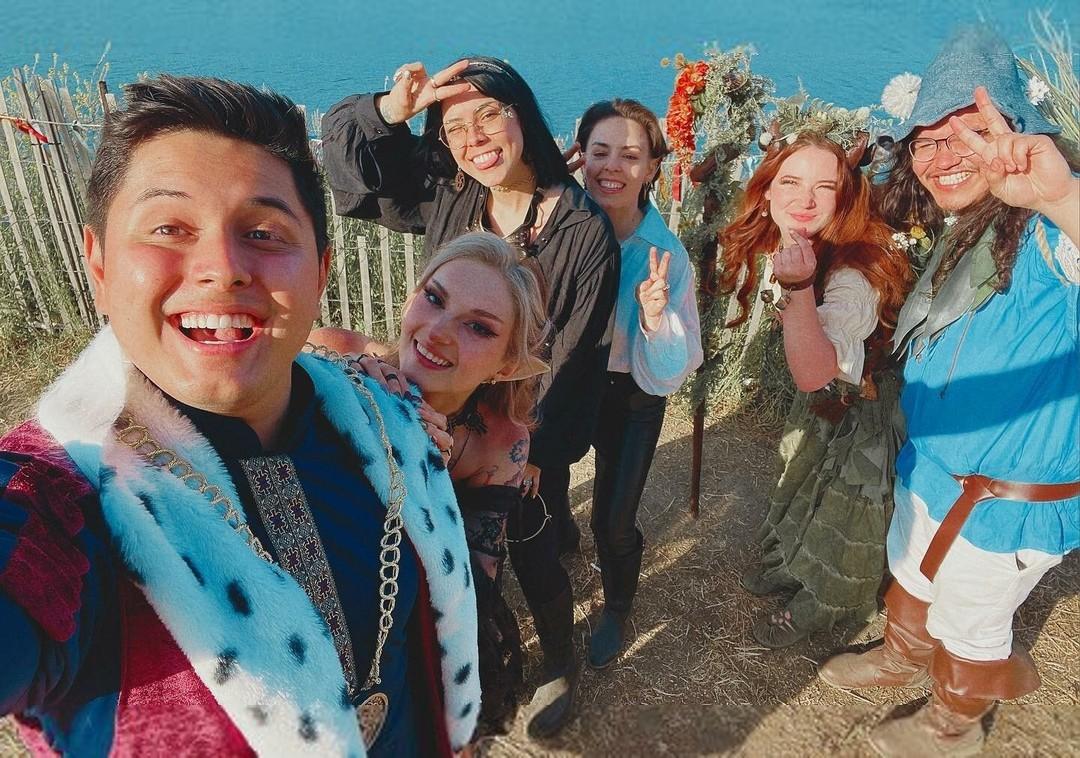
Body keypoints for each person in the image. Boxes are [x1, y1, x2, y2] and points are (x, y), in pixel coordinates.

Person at [0, 75, 481, 758]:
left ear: (321, 270)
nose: (222, 268)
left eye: (262, 232)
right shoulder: (59, 499)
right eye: (169, 228)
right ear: (98, 265)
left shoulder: (384, 425)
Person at [320, 56, 621, 737]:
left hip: (521, 426)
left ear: (523, 117)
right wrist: (388, 113)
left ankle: (558, 662)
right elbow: (352, 179)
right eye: (454, 127)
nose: (474, 137)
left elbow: (575, 355)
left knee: (534, 552)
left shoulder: (583, 231)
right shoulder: (450, 194)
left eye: (489, 115)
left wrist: (533, 448)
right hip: (426, 404)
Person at [818, 26, 1079, 757]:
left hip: (1004, 501)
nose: (945, 155)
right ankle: (901, 655)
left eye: (972, 134)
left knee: (972, 616)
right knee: (910, 570)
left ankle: (951, 723)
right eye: (927, 141)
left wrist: (1063, 196)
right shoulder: (970, 227)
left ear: (1019, 137)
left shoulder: (1050, 239)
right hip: (933, 468)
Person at [312, 231, 550, 738]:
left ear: (506, 366)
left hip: (411, 614)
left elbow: (475, 576)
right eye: (435, 298)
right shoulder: (335, 362)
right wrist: (347, 393)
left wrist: (425, 484)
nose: (437, 331)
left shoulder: (501, 441)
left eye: (478, 327)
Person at [718, 128, 914, 648]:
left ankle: (822, 601)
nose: (805, 199)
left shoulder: (855, 272)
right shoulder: (797, 242)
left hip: (864, 406)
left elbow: (815, 371)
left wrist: (801, 287)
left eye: (824, 187)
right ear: (767, 189)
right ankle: (791, 565)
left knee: (845, 506)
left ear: (845, 197)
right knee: (804, 479)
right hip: (827, 401)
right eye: (791, 181)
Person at [570, 99, 703, 669]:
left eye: (630, 155)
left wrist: (653, 318)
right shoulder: (561, 230)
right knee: (543, 489)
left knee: (614, 520)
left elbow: (671, 370)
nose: (612, 167)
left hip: (632, 395)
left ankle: (618, 606)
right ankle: (562, 547)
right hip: (569, 385)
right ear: (579, 156)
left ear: (652, 168)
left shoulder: (665, 256)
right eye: (599, 152)